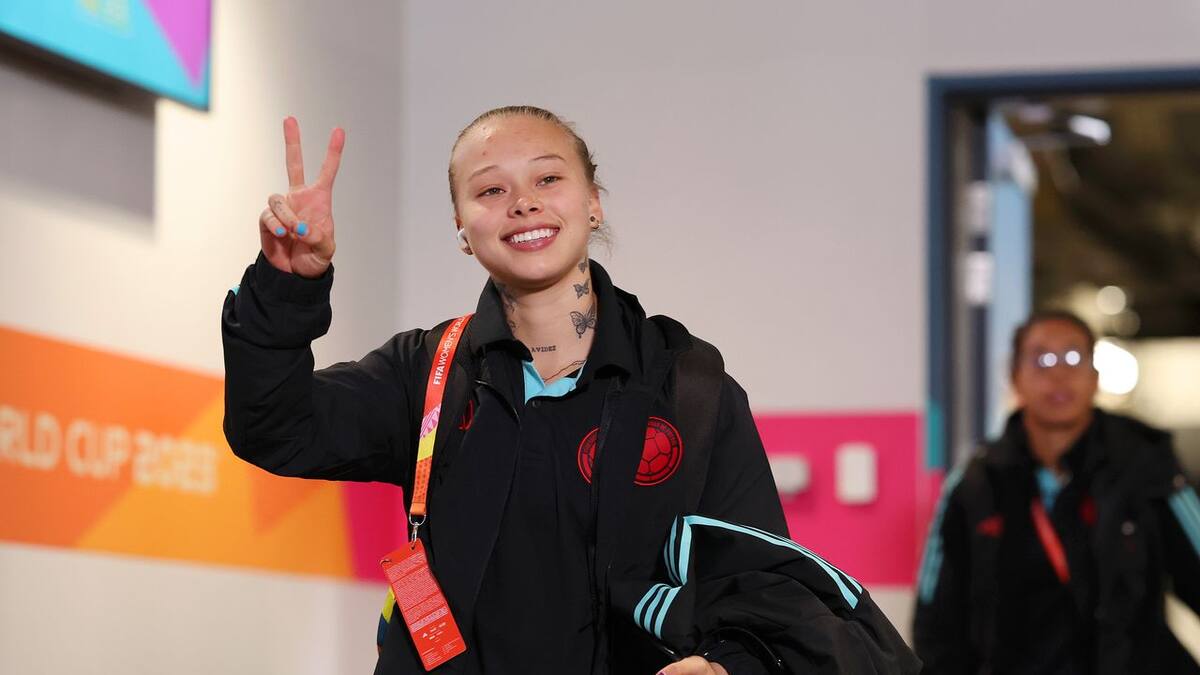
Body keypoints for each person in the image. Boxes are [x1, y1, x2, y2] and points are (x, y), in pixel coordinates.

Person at [223, 106, 914, 674]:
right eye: (490, 190)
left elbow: (759, 581)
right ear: (461, 229)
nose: (523, 202)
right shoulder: (425, 374)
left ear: (593, 203)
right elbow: (273, 426)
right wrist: (288, 285)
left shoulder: (688, 388)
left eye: (548, 178)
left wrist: (724, 665)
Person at [913, 310, 1200, 674]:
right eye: (1041, 359)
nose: (1059, 374)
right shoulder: (976, 483)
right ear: (1015, 377)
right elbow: (936, 624)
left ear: (1095, 377)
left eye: (1073, 357)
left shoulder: (1145, 463)